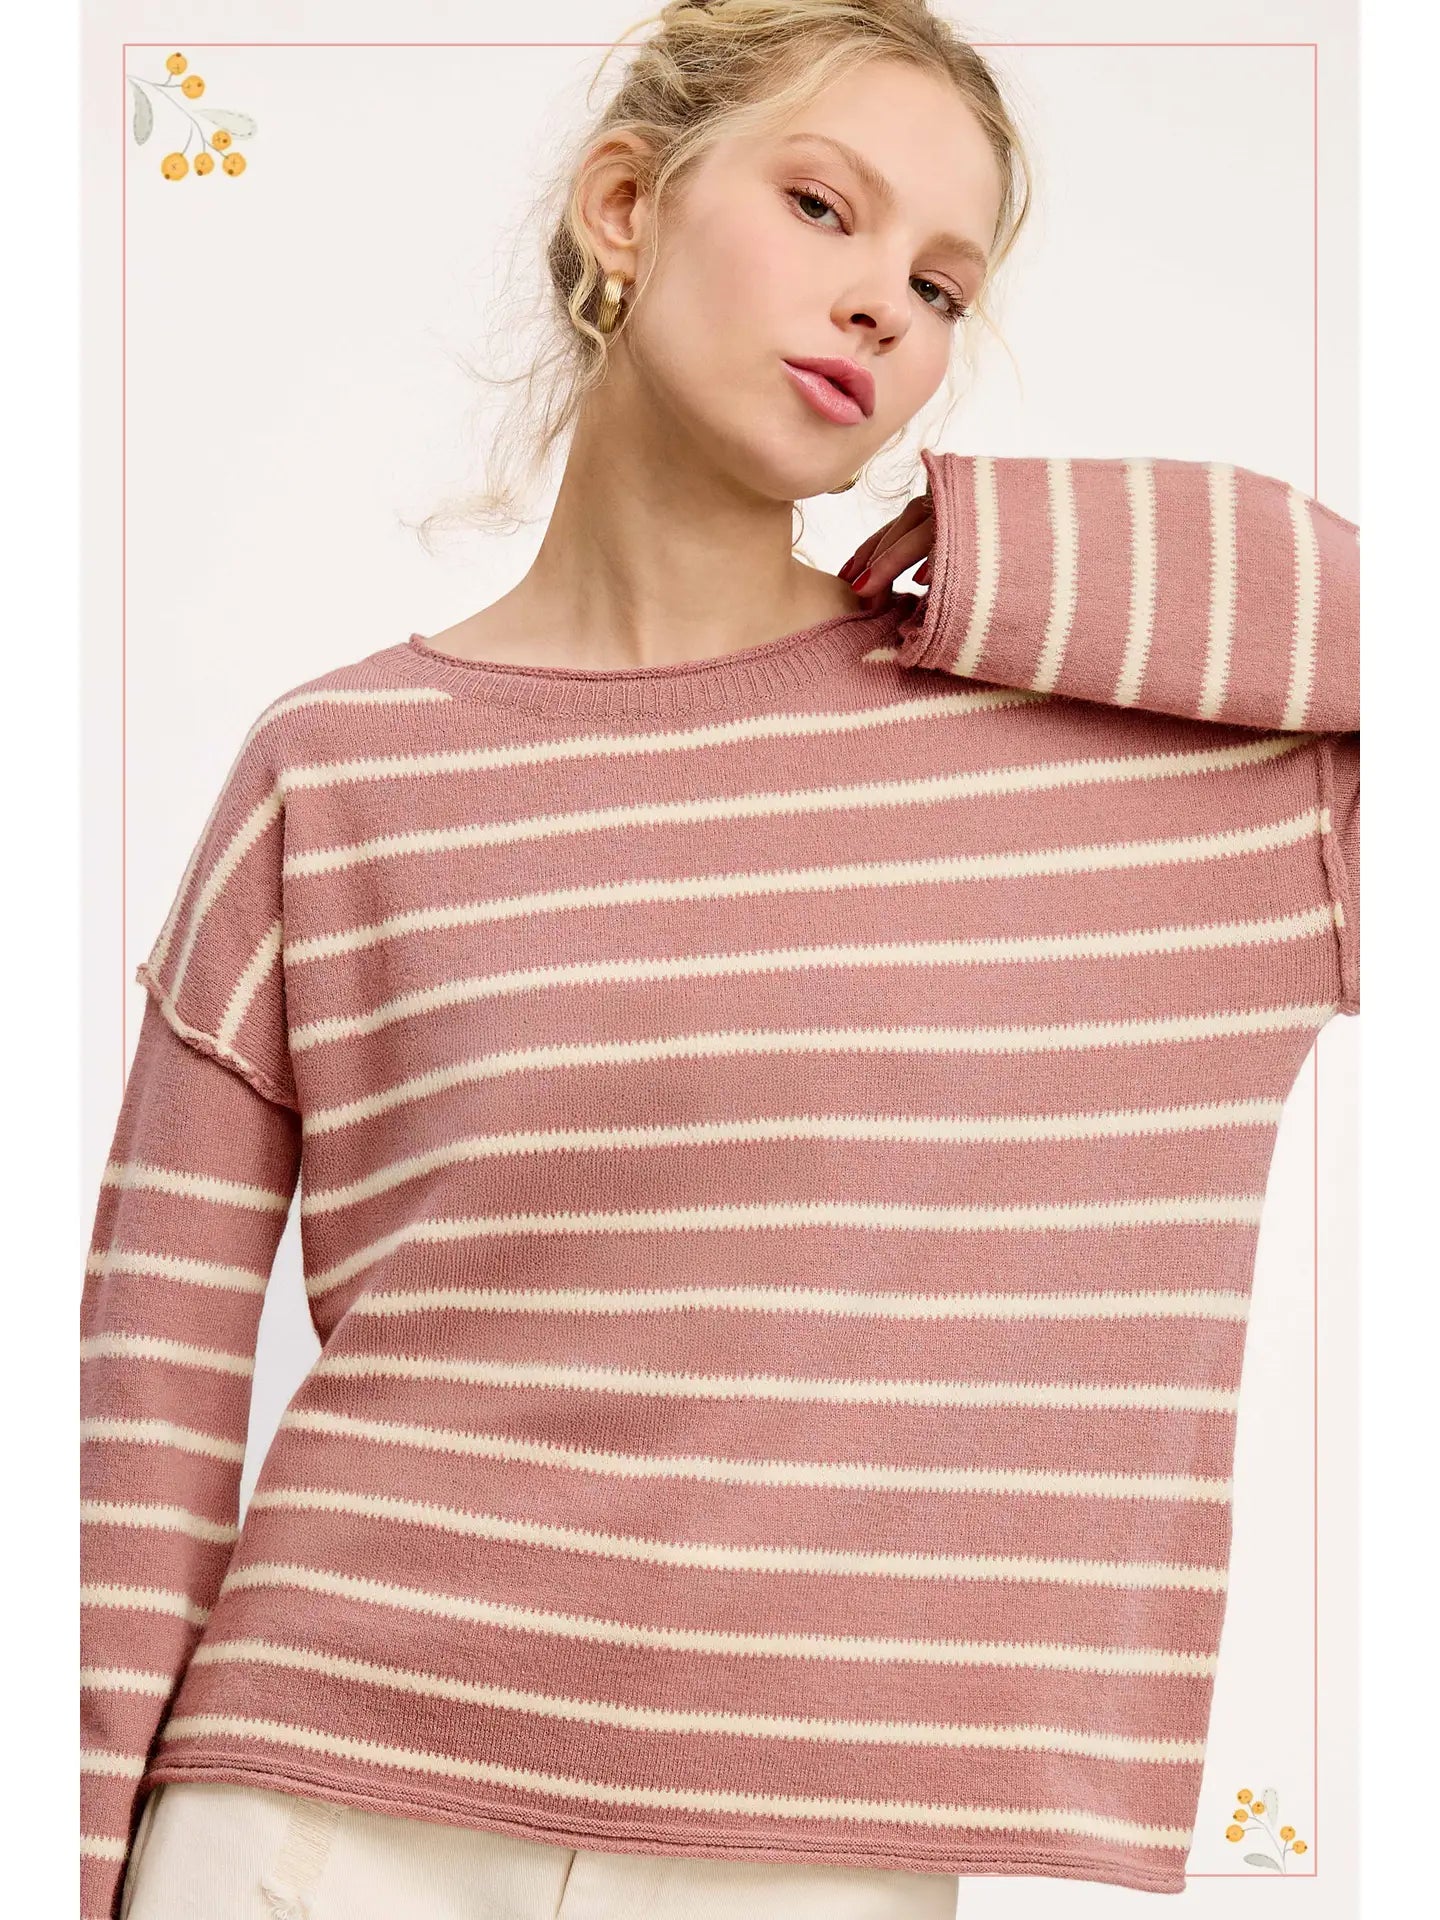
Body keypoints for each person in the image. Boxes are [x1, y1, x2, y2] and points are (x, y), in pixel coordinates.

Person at [81, 3, 1359, 1917]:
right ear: (626, 204)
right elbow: (144, 1406)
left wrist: (994, 553)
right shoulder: (332, 769)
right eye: (824, 207)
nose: (880, 306)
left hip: (810, 1862)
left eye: (940, 284)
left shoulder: (1128, 774)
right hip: (311, 1820)